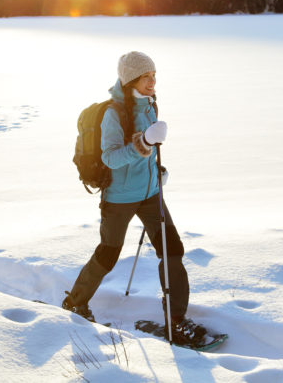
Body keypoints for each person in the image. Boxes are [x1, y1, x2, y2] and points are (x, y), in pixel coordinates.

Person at [62, 51, 206, 347]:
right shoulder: (114, 114)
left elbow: (147, 152)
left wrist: (156, 170)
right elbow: (111, 157)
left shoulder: (150, 105)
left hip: (151, 194)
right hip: (120, 197)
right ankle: (75, 302)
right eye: (146, 77)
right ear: (131, 80)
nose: (153, 82)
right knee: (108, 254)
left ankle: (176, 320)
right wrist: (144, 143)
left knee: (172, 250)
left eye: (154, 76)